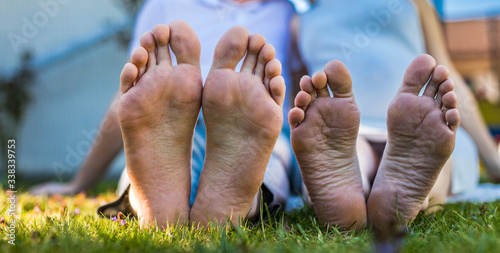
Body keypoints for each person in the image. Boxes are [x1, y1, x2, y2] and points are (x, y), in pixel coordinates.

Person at [30, 0, 300, 227]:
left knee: (265, 148)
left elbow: (300, 108)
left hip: (251, 127)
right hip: (176, 123)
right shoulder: (166, 4)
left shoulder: (288, 14)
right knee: (266, 161)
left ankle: (148, 200)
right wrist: (80, 182)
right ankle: (239, 204)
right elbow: (134, 97)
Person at [293, 0, 499, 234]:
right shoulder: (299, 21)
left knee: (435, 151)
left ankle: (378, 191)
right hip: (340, 133)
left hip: (419, 126)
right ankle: (366, 195)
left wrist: (494, 161)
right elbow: (304, 99)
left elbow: (446, 74)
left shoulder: (415, 2)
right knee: (335, 154)